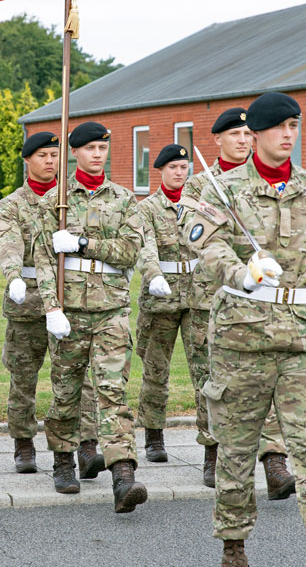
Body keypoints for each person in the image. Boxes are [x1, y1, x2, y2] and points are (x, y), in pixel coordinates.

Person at [184, 93, 306, 566]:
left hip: (305, 340)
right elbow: (203, 241)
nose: (288, 134)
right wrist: (242, 273)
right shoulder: (222, 188)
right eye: (279, 126)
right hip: (242, 339)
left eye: (294, 125)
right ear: (254, 133)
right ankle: (234, 546)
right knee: (237, 455)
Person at [32, 121, 148, 513]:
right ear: (75, 153)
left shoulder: (123, 199)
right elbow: (44, 260)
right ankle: (63, 460)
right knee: (65, 393)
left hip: (111, 309)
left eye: (103, 148)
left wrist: (84, 243)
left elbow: (131, 250)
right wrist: (51, 307)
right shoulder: (56, 202)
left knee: (112, 392)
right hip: (70, 311)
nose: (98, 154)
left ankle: (123, 474)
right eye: (91, 148)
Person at [182, 108, 296, 496]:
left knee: (273, 377)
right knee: (214, 381)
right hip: (216, 298)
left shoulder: (271, 181)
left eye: (249, 134)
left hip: (269, 301)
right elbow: (199, 239)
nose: (244, 140)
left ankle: (275, 459)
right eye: (235, 134)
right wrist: (242, 267)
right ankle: (213, 449)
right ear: (218, 140)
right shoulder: (202, 185)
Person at [0, 132, 100, 474]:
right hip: (28, 302)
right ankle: (24, 443)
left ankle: (85, 443)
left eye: (54, 155)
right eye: (42, 155)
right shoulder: (11, 204)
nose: (50, 161)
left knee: (77, 377)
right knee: (23, 377)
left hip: (69, 302)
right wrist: (14, 277)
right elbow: (7, 243)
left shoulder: (70, 200)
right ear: (27, 160)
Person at [132, 144, 196, 463]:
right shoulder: (147, 208)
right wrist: (154, 274)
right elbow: (146, 246)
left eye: (184, 167)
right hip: (161, 297)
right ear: (160, 170)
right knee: (156, 371)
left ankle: (213, 443)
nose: (179, 172)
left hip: (198, 297)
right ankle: (154, 436)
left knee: (206, 370)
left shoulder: (199, 205)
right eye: (173, 167)